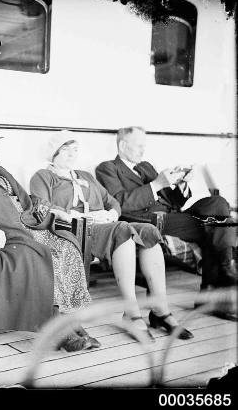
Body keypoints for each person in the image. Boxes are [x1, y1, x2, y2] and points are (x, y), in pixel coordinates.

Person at [0, 109, 100, 352]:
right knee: (43, 257)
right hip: (5, 234)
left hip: (28, 226)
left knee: (66, 248)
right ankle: (59, 329)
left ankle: (72, 323)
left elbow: (26, 200)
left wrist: (51, 209)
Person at [30, 131, 193, 340]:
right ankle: (132, 313)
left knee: (149, 231)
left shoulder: (85, 176)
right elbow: (43, 207)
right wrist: (76, 216)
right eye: (65, 150)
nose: (72, 154)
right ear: (53, 153)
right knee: (122, 230)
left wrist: (111, 214)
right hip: (74, 230)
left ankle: (161, 310)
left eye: (75, 149)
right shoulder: (43, 176)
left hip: (103, 225)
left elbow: (112, 202)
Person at [96, 126, 237, 320]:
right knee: (213, 226)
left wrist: (181, 184)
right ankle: (221, 277)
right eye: (138, 146)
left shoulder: (146, 166)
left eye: (144, 146)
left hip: (173, 216)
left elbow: (173, 202)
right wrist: (156, 184)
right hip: (149, 221)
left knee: (218, 203)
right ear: (122, 145)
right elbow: (121, 203)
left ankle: (223, 270)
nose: (142, 150)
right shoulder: (107, 168)